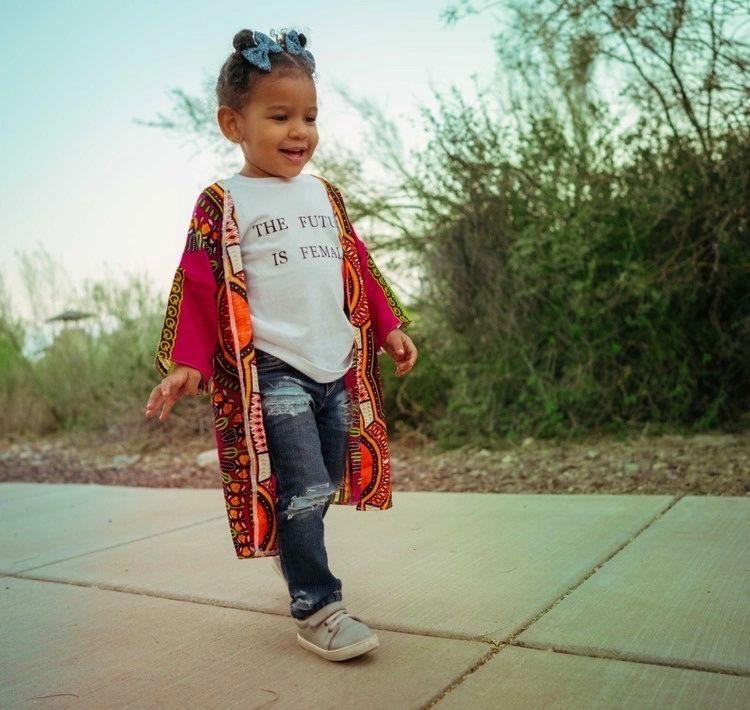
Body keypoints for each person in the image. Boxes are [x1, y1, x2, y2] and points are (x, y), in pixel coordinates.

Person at [144, 27, 418, 662]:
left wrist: (388, 324)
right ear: (233, 123)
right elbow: (199, 277)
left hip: (336, 364)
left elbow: (356, 262)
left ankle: (296, 558)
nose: (300, 132)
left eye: (310, 117)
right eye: (280, 116)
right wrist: (186, 361)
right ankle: (318, 606)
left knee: (321, 484)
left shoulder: (324, 195)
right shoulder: (224, 200)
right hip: (274, 368)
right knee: (299, 485)